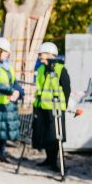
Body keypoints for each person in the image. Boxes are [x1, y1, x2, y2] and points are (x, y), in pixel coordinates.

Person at [32, 42, 71, 171]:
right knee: (45, 136)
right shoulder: (41, 69)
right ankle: (48, 160)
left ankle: (54, 162)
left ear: (49, 55)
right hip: (42, 107)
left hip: (56, 109)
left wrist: (62, 104)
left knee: (55, 137)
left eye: (41, 54)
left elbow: (66, 89)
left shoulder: (60, 69)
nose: (39, 56)